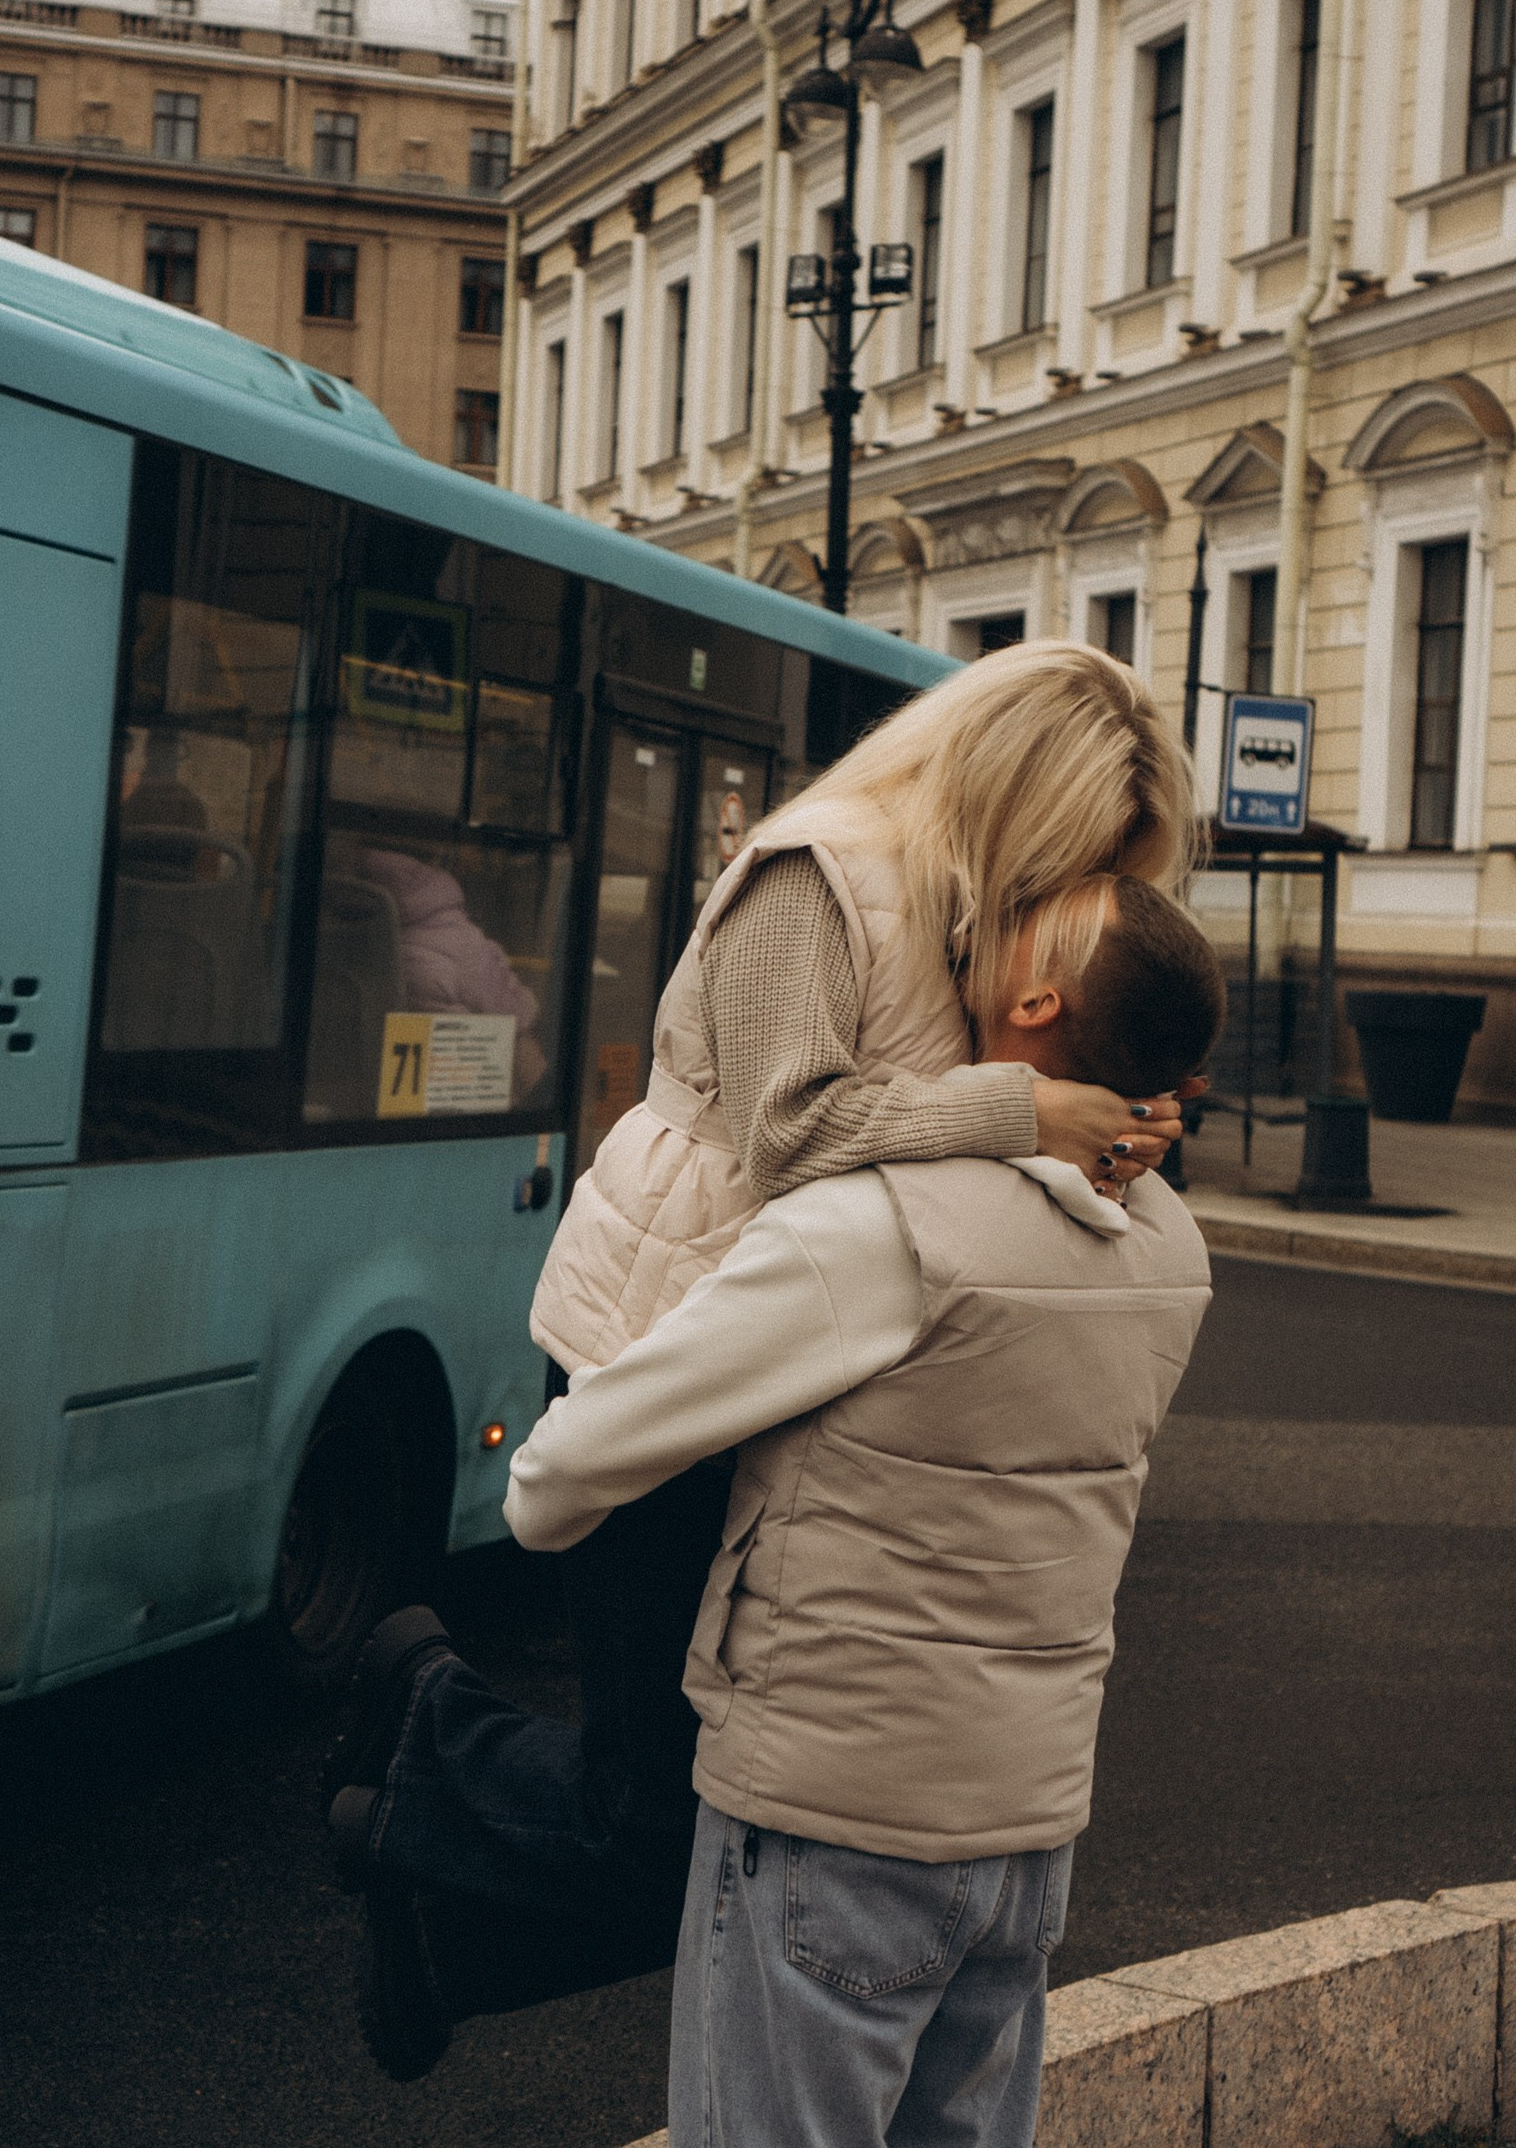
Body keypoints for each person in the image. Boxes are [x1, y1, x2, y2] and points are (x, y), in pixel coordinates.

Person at [321, 643, 1205, 2073]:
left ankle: (433, 1918)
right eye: (1085, 853)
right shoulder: (816, 870)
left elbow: (957, 1135)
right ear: (1017, 797)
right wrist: (1024, 1116)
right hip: (665, 1339)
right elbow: (794, 1135)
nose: (1085, 892)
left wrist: (1114, 1124)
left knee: (718, 1813)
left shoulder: (969, 910)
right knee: (670, 1818)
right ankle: (425, 1723)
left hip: (803, 1364)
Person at [490, 873, 1220, 2136]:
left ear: (1036, 996)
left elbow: (567, 1467)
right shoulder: (1170, 1251)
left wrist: (552, 1501)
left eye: (1043, 906)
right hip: (1026, 1835)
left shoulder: (880, 1229)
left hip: (834, 1821)